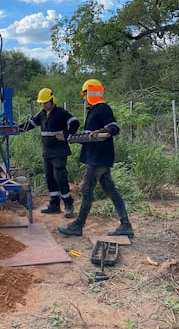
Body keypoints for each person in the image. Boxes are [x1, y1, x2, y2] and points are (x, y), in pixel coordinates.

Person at [57, 79, 134, 238]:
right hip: (98, 158)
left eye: (85, 94)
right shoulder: (93, 110)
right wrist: (72, 138)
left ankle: (78, 225)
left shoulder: (103, 109)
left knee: (86, 190)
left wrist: (101, 130)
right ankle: (125, 224)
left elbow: (114, 128)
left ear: (90, 93)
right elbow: (90, 136)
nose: (83, 98)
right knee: (111, 191)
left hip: (97, 159)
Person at [19, 87, 80, 218]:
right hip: (47, 152)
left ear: (52, 100)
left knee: (60, 178)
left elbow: (75, 122)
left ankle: (68, 204)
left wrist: (67, 134)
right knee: (50, 179)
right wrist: (14, 129)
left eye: (45, 102)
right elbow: (30, 125)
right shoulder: (42, 115)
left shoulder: (60, 113)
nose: (43, 105)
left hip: (59, 152)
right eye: (41, 103)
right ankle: (54, 205)